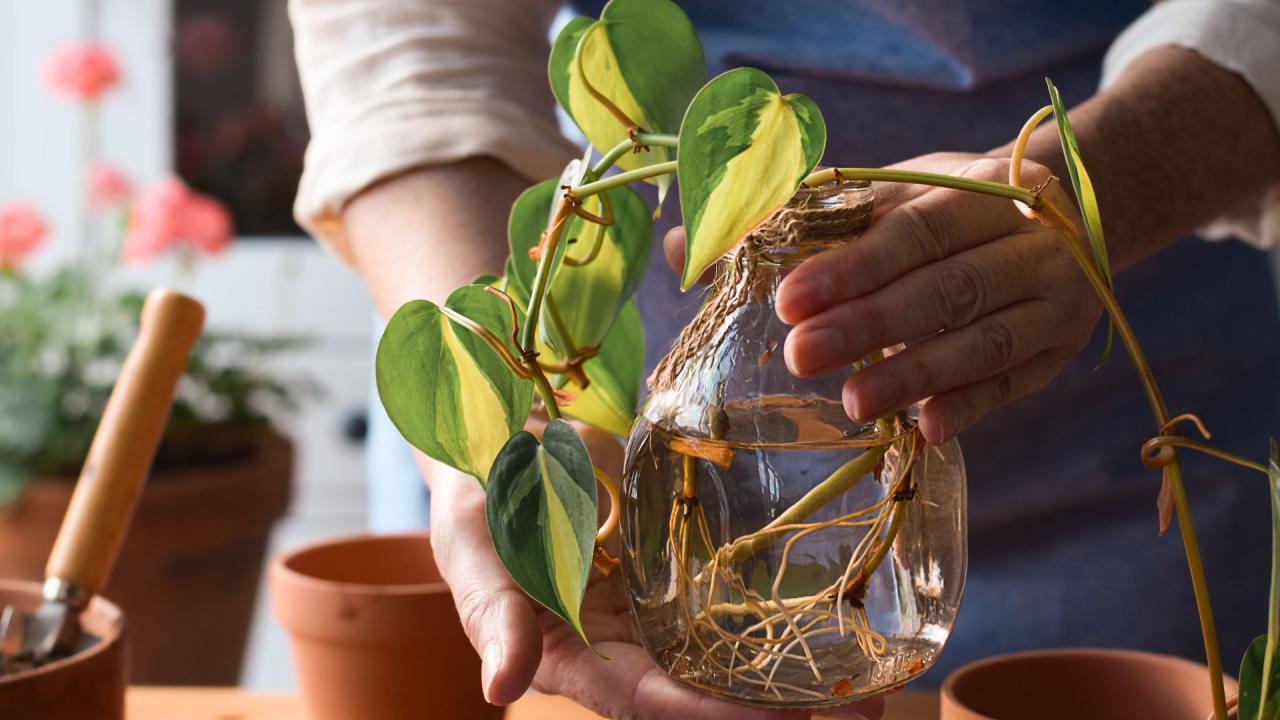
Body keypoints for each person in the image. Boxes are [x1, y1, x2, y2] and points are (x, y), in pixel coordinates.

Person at [289, 1, 1280, 718]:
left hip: (1146, 351)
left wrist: (1092, 185)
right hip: (611, 414)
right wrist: (509, 431)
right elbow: (406, 51)